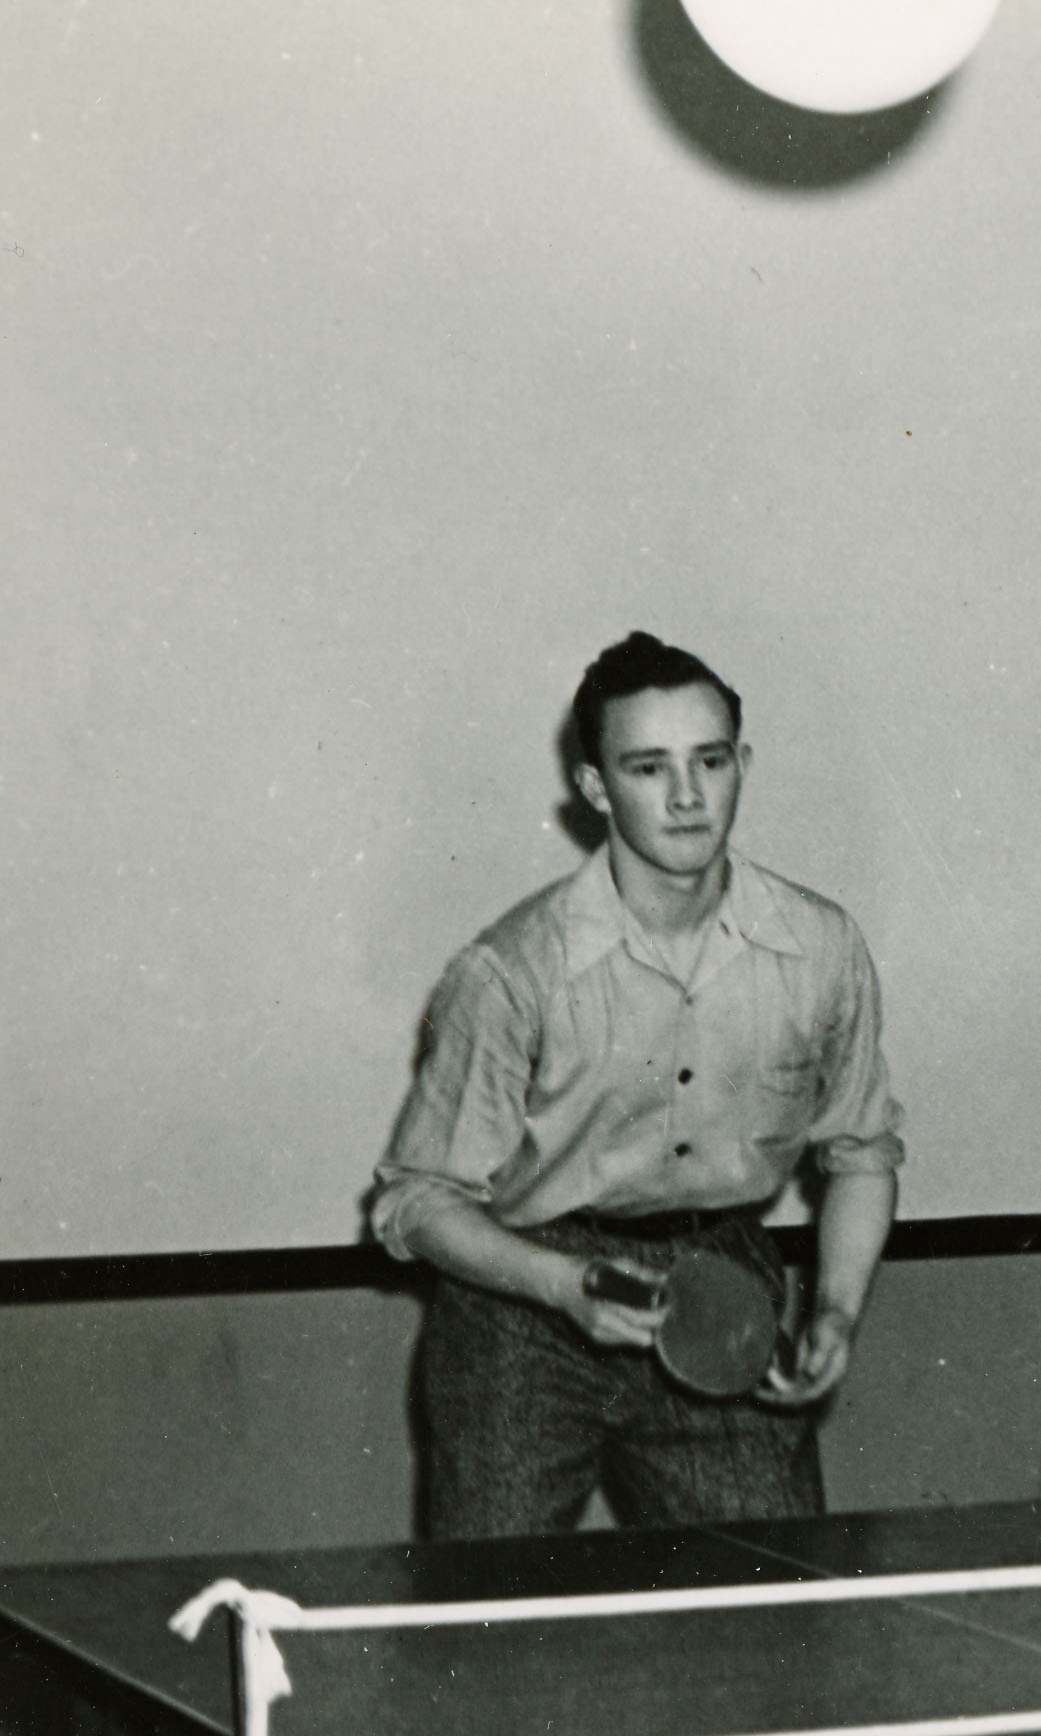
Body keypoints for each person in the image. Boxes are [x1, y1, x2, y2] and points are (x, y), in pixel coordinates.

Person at [370, 631, 901, 1539]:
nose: (688, 796)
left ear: (743, 764)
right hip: (523, 1309)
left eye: (711, 760)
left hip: (720, 1291)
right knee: (496, 1635)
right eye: (649, 767)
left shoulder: (822, 949)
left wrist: (838, 1310)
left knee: (780, 1623)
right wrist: (562, 1284)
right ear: (595, 789)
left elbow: (860, 1156)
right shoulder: (508, 973)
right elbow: (417, 1203)